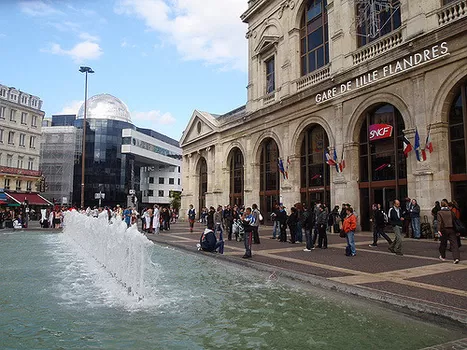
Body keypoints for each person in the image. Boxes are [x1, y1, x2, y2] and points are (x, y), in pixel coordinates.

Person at [437, 200, 460, 264]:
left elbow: (439, 222)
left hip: (444, 229)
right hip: (452, 229)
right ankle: (456, 258)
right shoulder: (451, 212)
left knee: (443, 244)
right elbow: (455, 220)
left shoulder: (440, 212)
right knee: (454, 244)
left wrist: (438, 230)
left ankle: (443, 256)